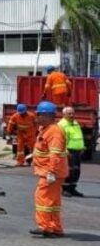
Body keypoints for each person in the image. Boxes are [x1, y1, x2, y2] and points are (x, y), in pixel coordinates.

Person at [30, 101, 68, 238]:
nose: (37, 117)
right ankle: (55, 227)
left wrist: (51, 172)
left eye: (38, 114)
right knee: (53, 201)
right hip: (52, 172)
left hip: (50, 172)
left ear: (46, 116)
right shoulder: (46, 129)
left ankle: (44, 226)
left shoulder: (54, 132)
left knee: (43, 199)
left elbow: (55, 154)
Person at [59, 107, 85, 198]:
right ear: (64, 114)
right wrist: (65, 150)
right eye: (69, 113)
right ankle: (65, 189)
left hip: (77, 151)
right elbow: (60, 140)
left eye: (73, 113)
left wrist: (82, 147)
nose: (72, 115)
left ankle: (72, 188)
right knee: (68, 170)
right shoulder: (62, 124)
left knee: (76, 170)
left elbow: (78, 136)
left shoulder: (75, 122)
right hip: (68, 151)